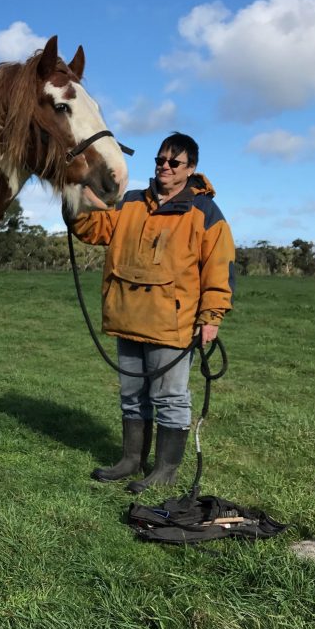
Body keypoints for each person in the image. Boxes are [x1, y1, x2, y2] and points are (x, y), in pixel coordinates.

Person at [69, 132, 235, 493]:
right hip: (127, 315)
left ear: (190, 168)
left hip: (172, 323)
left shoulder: (205, 213)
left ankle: (165, 470)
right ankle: (131, 461)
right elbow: (97, 230)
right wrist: (77, 204)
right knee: (132, 396)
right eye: (160, 160)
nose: (164, 166)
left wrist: (211, 318)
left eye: (173, 162)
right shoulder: (131, 202)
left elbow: (219, 269)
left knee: (170, 398)